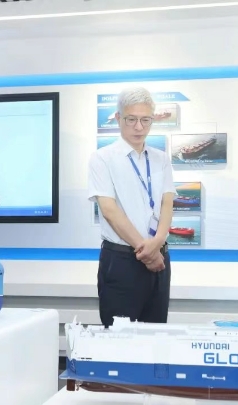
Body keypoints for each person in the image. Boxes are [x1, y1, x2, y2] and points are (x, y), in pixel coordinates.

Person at [88, 87, 176, 328]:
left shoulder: (161, 158)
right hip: (122, 260)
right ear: (119, 118)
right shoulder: (102, 158)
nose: (139, 127)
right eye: (131, 120)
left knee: (156, 334)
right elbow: (110, 210)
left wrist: (157, 244)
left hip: (160, 257)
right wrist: (147, 253)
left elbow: (167, 202)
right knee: (120, 338)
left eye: (145, 120)